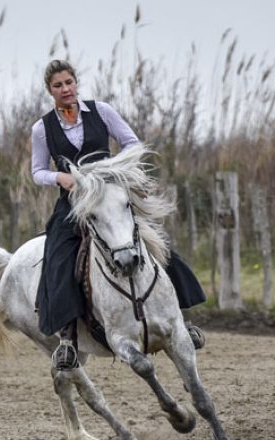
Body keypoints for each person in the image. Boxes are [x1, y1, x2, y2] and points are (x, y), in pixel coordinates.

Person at [31, 59, 206, 370]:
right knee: (57, 258)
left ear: (76, 82)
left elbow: (132, 143)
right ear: (50, 91)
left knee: (152, 243)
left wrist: (115, 171)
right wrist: (60, 178)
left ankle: (181, 319)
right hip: (74, 204)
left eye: (69, 82)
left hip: (110, 195)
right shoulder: (42, 128)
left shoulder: (102, 111)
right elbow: (37, 171)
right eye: (58, 85)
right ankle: (68, 339)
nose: (65, 89)